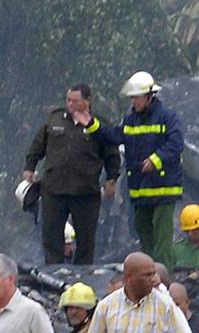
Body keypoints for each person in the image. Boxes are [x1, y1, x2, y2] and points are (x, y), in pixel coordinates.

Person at [72, 71, 184, 269]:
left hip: (163, 190)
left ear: (149, 96)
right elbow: (114, 136)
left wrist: (155, 160)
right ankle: (150, 276)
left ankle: (165, 279)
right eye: (132, 98)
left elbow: (175, 144)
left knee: (162, 240)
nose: (133, 102)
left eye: (136, 97)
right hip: (140, 191)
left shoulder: (167, 117)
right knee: (143, 234)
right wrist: (91, 125)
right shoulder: (131, 120)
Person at [23, 84, 121, 264]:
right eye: (68, 100)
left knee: (86, 240)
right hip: (54, 189)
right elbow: (38, 145)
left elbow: (112, 155)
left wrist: (111, 179)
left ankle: (83, 276)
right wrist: (30, 167)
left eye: (75, 101)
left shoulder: (99, 124)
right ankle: (53, 272)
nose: (70, 104)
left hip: (85, 192)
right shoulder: (55, 119)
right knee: (51, 237)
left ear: (88, 101)